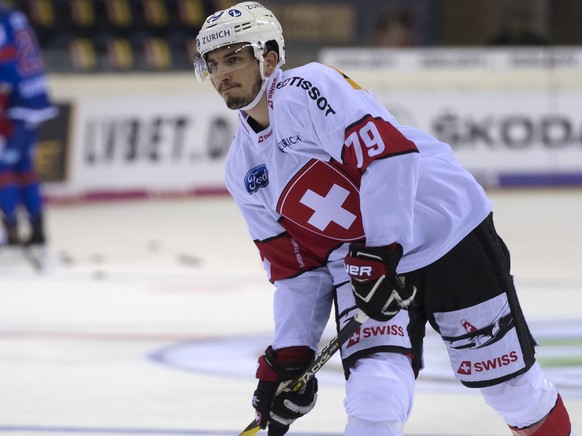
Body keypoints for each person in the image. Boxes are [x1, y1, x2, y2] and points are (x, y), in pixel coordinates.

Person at [194, 3, 572, 435]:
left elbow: (388, 157)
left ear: (270, 58)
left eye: (234, 58)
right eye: (214, 63)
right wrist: (289, 356)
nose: (222, 73)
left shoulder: (307, 88)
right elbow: (297, 271)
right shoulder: (242, 169)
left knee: (512, 390)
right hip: (364, 265)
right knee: (375, 396)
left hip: (446, 234)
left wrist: (382, 250)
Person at [0, 1, 57, 251]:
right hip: (36, 97)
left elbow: (7, 67)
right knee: (23, 165)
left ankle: (9, 231)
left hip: (18, 103)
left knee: (3, 166)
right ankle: (38, 229)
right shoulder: (15, 17)